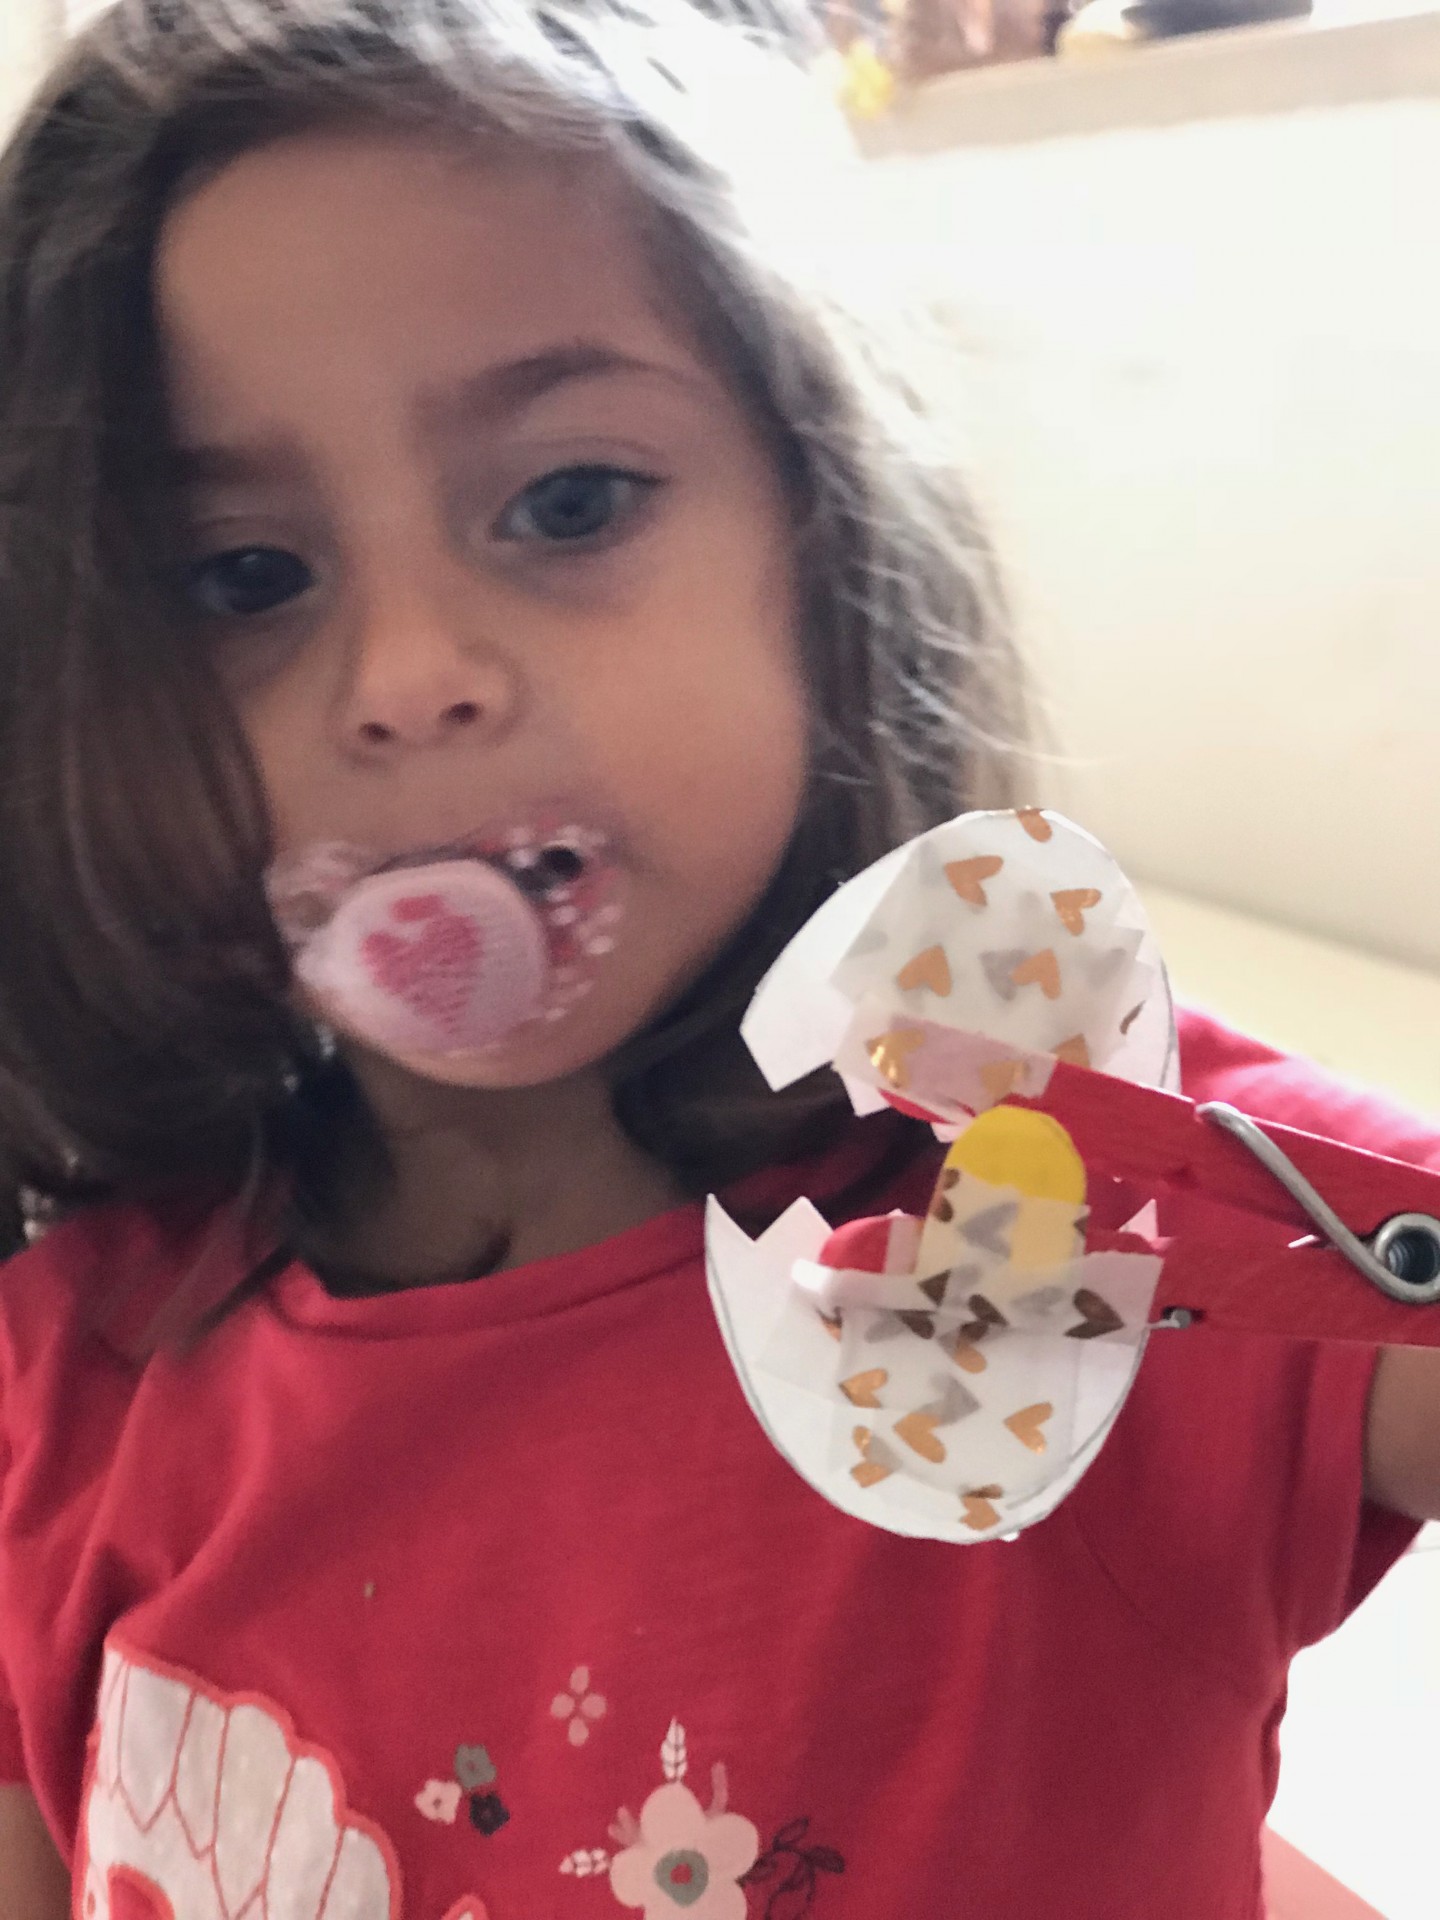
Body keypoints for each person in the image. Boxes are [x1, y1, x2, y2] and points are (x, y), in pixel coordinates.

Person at [0, 4, 1436, 1916]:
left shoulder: (1096, 1219)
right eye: (241, 578)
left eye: (569, 502)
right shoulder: (67, 1380)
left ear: (825, 538)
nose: (411, 676)